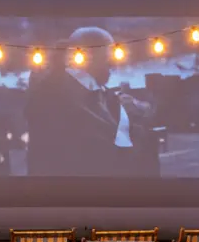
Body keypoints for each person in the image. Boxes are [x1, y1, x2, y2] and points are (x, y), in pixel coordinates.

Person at [26, 26, 158, 177]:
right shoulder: (60, 96)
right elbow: (107, 156)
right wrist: (131, 125)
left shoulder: (77, 89)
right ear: (94, 60)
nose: (111, 68)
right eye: (107, 62)